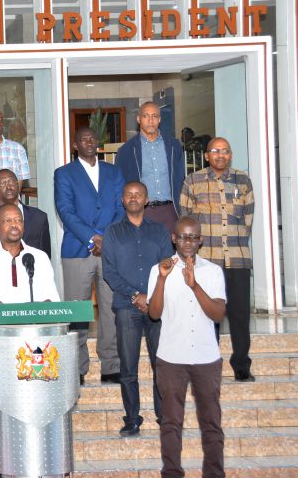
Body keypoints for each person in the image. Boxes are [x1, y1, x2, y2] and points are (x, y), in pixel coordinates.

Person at [0, 203, 60, 478]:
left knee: (36, 413)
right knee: (0, 415)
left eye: (18, 219)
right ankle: (1, 470)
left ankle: (38, 468)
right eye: (7, 220)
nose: (14, 224)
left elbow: (53, 300)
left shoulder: (37, 257)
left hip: (37, 351)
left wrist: (45, 305)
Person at [148, 217, 226, 478]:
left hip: (206, 357)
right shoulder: (159, 270)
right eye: (183, 236)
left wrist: (194, 286)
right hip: (171, 357)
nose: (188, 242)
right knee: (171, 423)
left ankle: (214, 474)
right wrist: (162, 279)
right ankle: (171, 472)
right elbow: (154, 314)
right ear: (174, 238)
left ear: (200, 240)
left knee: (211, 423)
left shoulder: (213, 272)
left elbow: (218, 314)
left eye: (193, 237)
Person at [180, 137, 255, 382]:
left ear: (230, 155)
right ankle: (208, 364)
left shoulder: (243, 180)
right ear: (206, 156)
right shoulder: (193, 181)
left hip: (237, 257)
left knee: (240, 315)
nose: (220, 155)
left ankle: (241, 365)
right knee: (207, 314)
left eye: (225, 151)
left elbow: (248, 219)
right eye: (215, 151)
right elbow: (186, 220)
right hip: (207, 261)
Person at [54, 126, 124, 385]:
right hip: (77, 249)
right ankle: (77, 366)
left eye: (93, 138)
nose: (90, 142)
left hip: (110, 250)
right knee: (77, 311)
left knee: (111, 309)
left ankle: (111, 365)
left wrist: (107, 239)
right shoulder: (64, 173)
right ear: (75, 145)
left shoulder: (113, 171)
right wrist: (93, 238)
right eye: (84, 139)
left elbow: (121, 207)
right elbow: (65, 210)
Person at [102, 181, 172, 436]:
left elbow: (167, 265)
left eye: (138, 194)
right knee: (128, 368)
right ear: (122, 200)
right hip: (126, 306)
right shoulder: (112, 233)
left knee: (161, 365)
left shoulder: (160, 231)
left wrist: (151, 296)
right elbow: (109, 272)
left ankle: (164, 416)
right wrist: (135, 295)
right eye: (129, 195)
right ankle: (132, 418)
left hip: (157, 306)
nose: (133, 198)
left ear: (146, 200)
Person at [115, 102, 185, 233]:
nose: (150, 120)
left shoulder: (174, 146)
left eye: (154, 116)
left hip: (170, 211)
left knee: (170, 246)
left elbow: (181, 178)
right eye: (145, 116)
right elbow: (118, 186)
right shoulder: (126, 150)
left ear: (160, 119)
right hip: (141, 213)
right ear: (138, 119)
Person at [0, 168, 51, 256]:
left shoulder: (39, 218)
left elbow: (46, 256)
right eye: (3, 184)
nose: (8, 187)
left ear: (18, 185)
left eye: (11, 182)